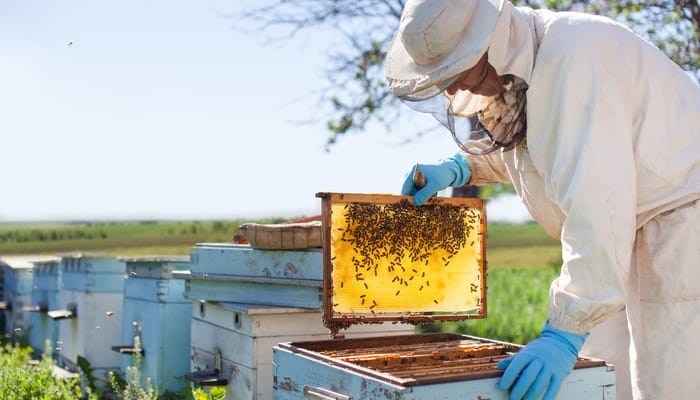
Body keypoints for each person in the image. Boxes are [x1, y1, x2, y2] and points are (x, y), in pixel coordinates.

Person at [385, 0, 700, 399]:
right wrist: (463, 167)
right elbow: (541, 147)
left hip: (680, 227)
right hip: (625, 230)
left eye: (458, 72)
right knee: (601, 373)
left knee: (668, 385)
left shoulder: (573, 59)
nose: (454, 89)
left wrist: (562, 334)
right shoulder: (529, 64)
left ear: (488, 45)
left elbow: (598, 200)